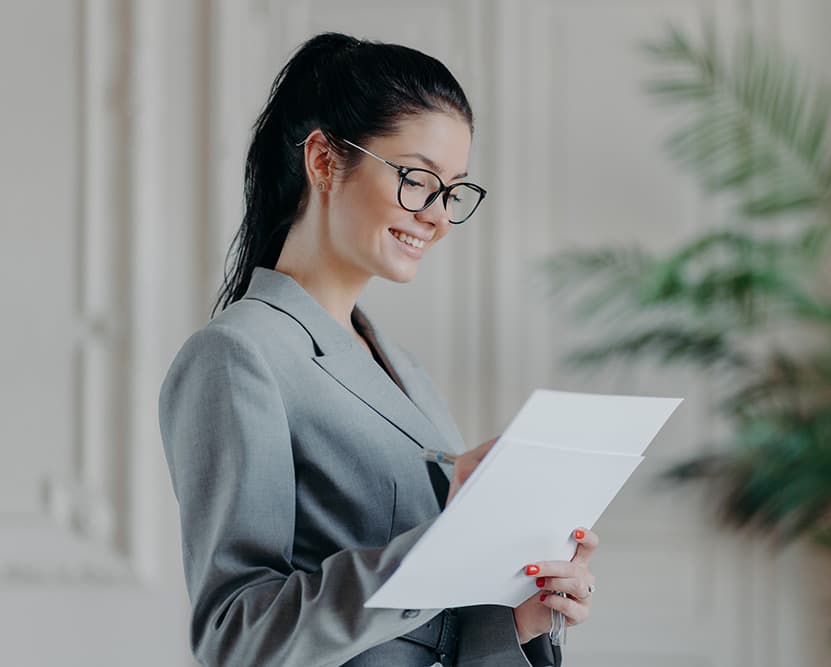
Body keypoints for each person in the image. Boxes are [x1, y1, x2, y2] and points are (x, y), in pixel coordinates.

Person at [158, 32, 599, 667]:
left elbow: (433, 636)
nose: (439, 216)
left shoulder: (406, 371)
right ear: (324, 161)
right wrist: (446, 547)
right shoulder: (237, 356)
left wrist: (519, 621)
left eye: (453, 191)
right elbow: (237, 637)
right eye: (419, 179)